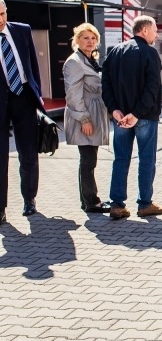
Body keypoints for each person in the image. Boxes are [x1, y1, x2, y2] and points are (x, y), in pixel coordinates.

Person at [101, 15, 162, 220]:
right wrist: (137, 113)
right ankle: (145, 203)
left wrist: (114, 109)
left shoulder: (115, 52)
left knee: (120, 159)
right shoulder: (150, 53)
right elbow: (152, 87)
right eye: (155, 30)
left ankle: (117, 204)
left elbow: (106, 85)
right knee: (146, 159)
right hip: (144, 116)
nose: (157, 35)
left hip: (120, 116)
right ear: (145, 30)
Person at [0, 0, 45, 220]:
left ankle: (29, 199)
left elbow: (33, 66)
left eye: (2, 14)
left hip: (24, 97)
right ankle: (0, 209)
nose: (0, 20)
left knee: (28, 153)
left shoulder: (22, 31)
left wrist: (38, 94)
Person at [63, 23, 111, 213]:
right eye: (85, 38)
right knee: (88, 160)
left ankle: (88, 200)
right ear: (77, 40)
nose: (90, 42)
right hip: (85, 114)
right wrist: (84, 119)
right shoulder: (74, 62)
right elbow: (73, 94)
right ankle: (91, 201)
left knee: (90, 159)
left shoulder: (90, 59)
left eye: (93, 38)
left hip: (94, 112)